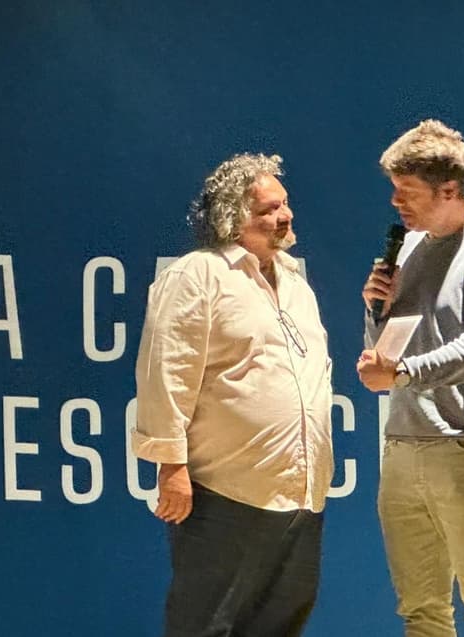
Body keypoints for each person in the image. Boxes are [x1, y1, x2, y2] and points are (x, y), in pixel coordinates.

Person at [132, 152, 334, 637]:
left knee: (281, 623)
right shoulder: (197, 275)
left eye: (285, 204)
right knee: (206, 624)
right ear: (231, 217)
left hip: (299, 493)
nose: (284, 216)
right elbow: (167, 371)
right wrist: (171, 465)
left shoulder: (295, 284)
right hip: (224, 492)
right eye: (268, 209)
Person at [357, 120, 464, 637]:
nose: (395, 203)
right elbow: (392, 346)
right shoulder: (408, 248)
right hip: (404, 444)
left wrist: (404, 372)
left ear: (449, 190)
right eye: (393, 190)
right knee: (421, 613)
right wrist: (374, 311)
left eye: (406, 192)